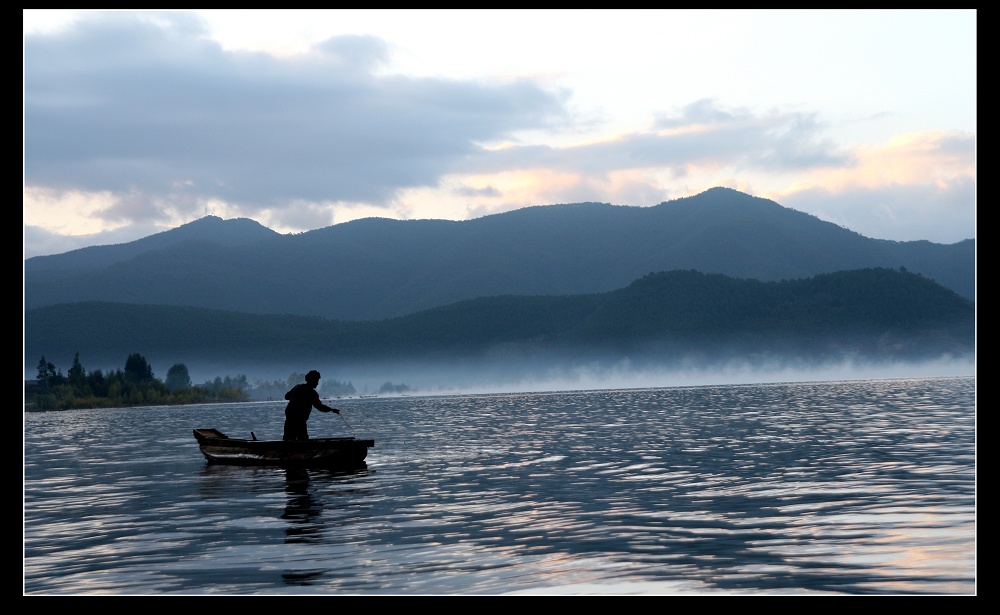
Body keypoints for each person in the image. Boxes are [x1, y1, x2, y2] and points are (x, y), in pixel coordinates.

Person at [283, 370, 339, 441]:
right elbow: (320, 407)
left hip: (289, 418)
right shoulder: (311, 393)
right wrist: (331, 409)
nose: (317, 383)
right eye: (316, 380)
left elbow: (287, 396)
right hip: (300, 420)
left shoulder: (297, 387)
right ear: (310, 380)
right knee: (303, 440)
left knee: (288, 440)